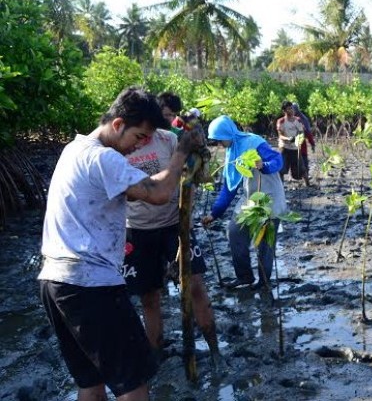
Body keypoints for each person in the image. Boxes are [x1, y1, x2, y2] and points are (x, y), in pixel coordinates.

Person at [38, 87, 200, 401]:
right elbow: (158, 193)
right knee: (134, 384)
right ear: (117, 124)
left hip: (54, 282)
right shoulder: (103, 158)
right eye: (139, 137)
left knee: (91, 382)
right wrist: (182, 152)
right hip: (90, 284)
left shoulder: (74, 149)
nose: (139, 146)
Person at [122, 92, 220, 365]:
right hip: (137, 229)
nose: (146, 135)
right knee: (150, 299)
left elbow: (197, 177)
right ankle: (156, 358)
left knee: (197, 288)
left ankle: (214, 353)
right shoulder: (120, 148)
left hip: (174, 225)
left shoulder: (169, 140)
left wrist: (199, 151)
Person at [202, 115, 287, 288]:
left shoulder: (253, 142)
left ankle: (264, 281)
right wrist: (214, 214)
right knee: (234, 231)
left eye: (220, 140)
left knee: (265, 244)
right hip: (250, 198)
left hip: (269, 198)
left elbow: (278, 160)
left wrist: (263, 165)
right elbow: (229, 188)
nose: (219, 144)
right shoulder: (231, 153)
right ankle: (244, 276)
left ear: (228, 133)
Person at [276, 100, 310, 186]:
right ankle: (281, 187)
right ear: (284, 111)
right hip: (284, 148)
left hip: (295, 148)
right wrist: (288, 138)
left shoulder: (297, 120)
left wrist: (299, 139)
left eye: (291, 108)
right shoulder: (281, 121)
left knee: (301, 169)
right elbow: (280, 136)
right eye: (288, 109)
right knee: (281, 169)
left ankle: (308, 185)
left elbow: (301, 132)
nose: (291, 110)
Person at [293, 102, 316, 182]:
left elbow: (308, 133)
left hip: (301, 144)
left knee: (304, 161)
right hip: (292, 146)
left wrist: (312, 144)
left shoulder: (302, 119)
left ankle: (306, 177)